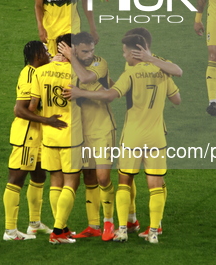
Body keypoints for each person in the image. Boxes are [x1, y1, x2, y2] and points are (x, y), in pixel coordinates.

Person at [65, 34, 181, 244]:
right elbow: (177, 99)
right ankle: (154, 231)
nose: (123, 55)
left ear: (134, 52)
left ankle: (122, 229)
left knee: (124, 183)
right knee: (156, 185)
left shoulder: (131, 73)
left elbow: (110, 95)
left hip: (133, 137)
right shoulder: (163, 69)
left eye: (125, 52)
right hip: (156, 137)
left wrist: (81, 92)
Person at [2, 41, 68, 241]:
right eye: (46, 51)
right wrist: (46, 120)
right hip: (27, 135)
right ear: (38, 54)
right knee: (16, 179)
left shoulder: (42, 71)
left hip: (41, 136)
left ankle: (34, 224)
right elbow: (20, 110)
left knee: (39, 177)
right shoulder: (29, 73)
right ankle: (10, 231)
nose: (49, 53)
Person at [122, 27, 182, 237]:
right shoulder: (160, 65)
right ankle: (155, 224)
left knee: (127, 177)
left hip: (135, 130)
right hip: (156, 130)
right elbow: (176, 99)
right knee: (156, 179)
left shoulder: (139, 64)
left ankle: (131, 220)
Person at [57, 32, 116, 242]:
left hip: (102, 129)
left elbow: (86, 78)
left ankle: (109, 223)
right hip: (80, 131)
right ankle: (94, 225)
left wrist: (72, 57)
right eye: (85, 51)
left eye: (92, 50)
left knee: (103, 178)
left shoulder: (99, 63)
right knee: (89, 178)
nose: (90, 54)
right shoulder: (69, 65)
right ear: (75, 49)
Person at [29, 34, 84, 244]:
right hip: (71, 134)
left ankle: (61, 227)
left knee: (55, 182)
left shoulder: (40, 72)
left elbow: (33, 106)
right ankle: (58, 231)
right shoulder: (76, 72)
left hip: (49, 133)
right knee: (71, 182)